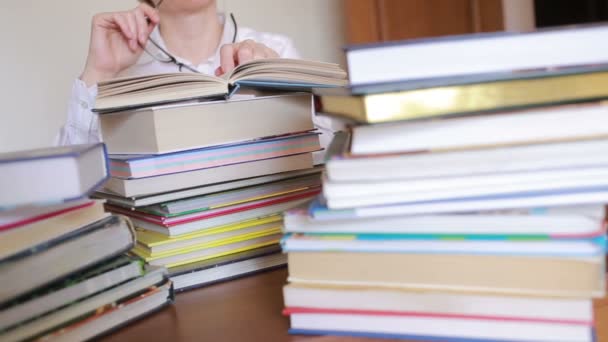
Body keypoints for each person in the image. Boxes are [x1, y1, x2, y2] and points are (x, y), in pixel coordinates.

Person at [56, 0, 302, 145]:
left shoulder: (277, 51)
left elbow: (325, 159)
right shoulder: (118, 75)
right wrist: (99, 72)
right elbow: (70, 191)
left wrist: (277, 94)